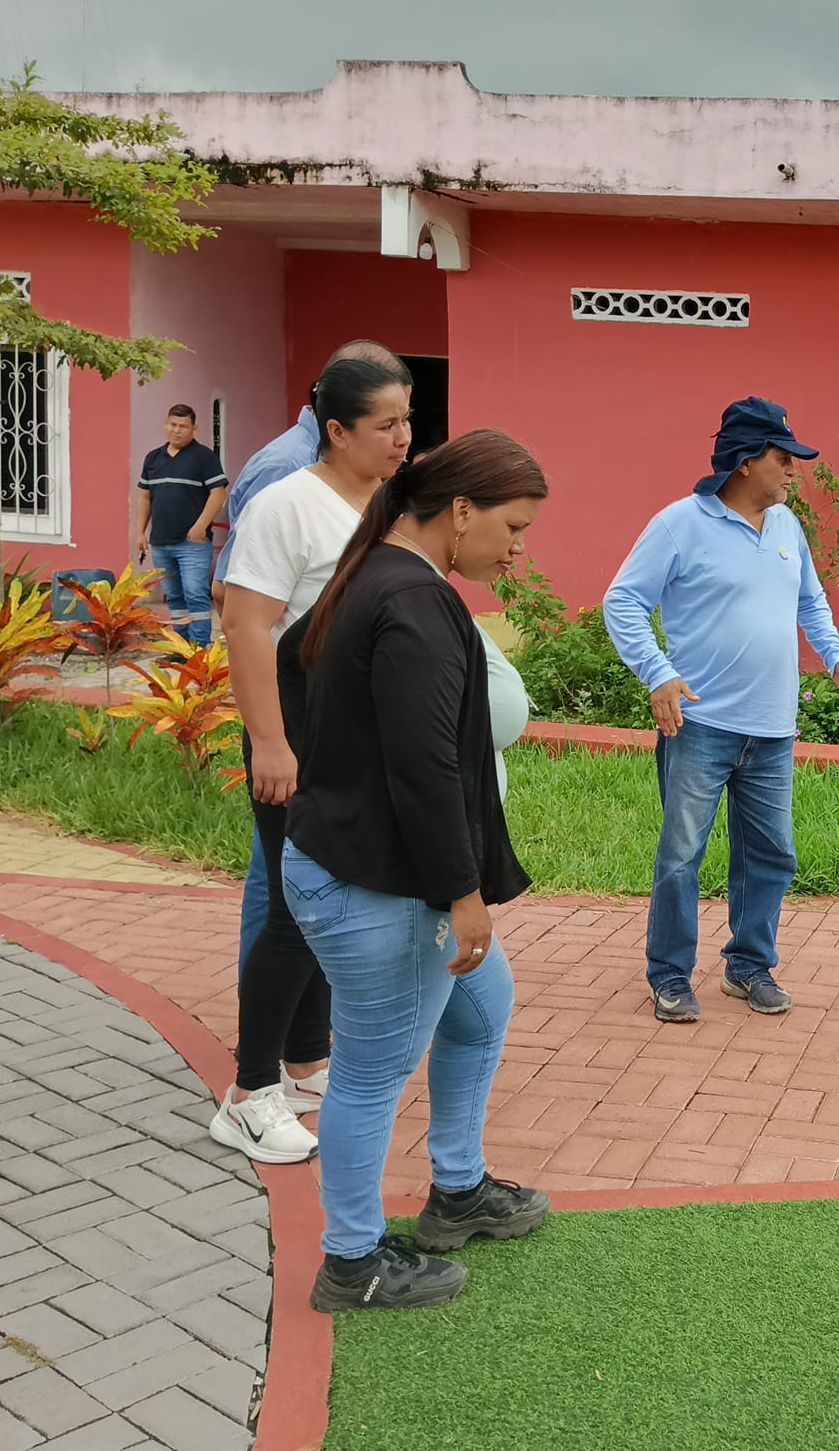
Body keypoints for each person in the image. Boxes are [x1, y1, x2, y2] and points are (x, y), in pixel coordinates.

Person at [281, 429, 550, 1311]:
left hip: (357, 868)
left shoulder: (375, 572)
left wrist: (332, 776)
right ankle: (352, 1262)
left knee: (482, 1007)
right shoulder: (414, 601)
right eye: (513, 527)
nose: (518, 548)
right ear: (461, 511)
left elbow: (292, 665)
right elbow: (426, 767)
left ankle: (458, 1190)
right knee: (370, 1074)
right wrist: (462, 896)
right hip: (383, 891)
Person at [207, 353, 412, 1164]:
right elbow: (245, 624)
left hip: (352, 738)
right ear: (337, 430)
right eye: (385, 424)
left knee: (330, 905)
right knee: (296, 913)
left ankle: (304, 1064)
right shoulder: (287, 504)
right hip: (294, 735)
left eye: (407, 420)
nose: (403, 437)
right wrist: (269, 741)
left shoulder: (388, 503)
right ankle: (248, 1094)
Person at [604, 397, 839, 1024]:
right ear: (746, 461)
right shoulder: (679, 524)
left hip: (772, 729)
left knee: (771, 854)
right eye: (783, 458)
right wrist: (658, 674)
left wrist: (837, 659)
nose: (794, 470)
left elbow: (810, 603)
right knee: (681, 857)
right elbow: (623, 601)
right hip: (699, 725)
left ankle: (748, 967)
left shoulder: (787, 526)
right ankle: (670, 975)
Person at [133, 405, 228, 647]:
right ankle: (180, 646)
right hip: (160, 542)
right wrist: (140, 533)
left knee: (195, 593)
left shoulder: (204, 457)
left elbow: (218, 493)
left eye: (183, 426)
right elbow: (144, 498)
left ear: (194, 429)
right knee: (174, 597)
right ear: (166, 425)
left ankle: (199, 647)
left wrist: (201, 525)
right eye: (173, 425)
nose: (177, 430)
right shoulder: (153, 458)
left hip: (192, 543)